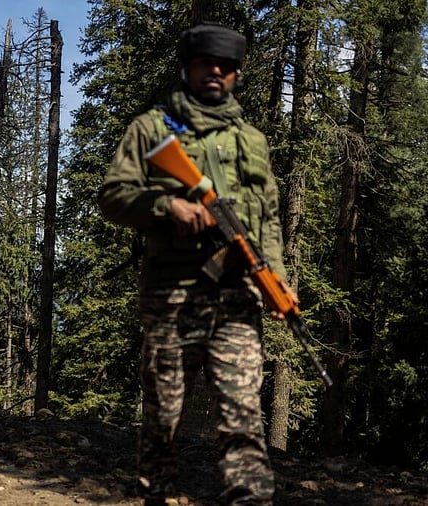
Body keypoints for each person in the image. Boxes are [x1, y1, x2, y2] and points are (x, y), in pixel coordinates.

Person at [98, 23, 295, 506]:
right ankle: (157, 495)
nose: (215, 72)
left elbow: (267, 218)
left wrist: (277, 280)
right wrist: (170, 208)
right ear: (187, 69)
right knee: (162, 417)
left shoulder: (252, 140)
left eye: (225, 67)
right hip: (172, 297)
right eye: (205, 63)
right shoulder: (152, 129)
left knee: (243, 419)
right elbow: (113, 196)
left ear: (236, 76)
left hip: (237, 300)